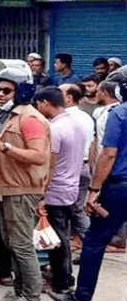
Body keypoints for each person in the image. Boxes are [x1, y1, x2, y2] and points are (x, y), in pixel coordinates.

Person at [49, 66, 127, 301]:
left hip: (119, 186)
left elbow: (109, 154)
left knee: (94, 241)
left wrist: (95, 190)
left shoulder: (119, 114)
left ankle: (82, 298)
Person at [0, 67, 50, 301]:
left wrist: (5, 147)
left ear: (21, 90)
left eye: (7, 90)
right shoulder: (14, 115)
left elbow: (38, 155)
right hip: (10, 187)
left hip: (22, 189)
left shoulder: (30, 118)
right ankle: (20, 290)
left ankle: (31, 298)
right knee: (11, 243)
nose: (0, 94)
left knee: (22, 245)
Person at [33, 86, 86, 294]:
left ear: (47, 103)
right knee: (62, 234)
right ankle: (65, 276)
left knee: (56, 239)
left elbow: (50, 164)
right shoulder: (76, 124)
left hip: (56, 189)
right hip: (71, 186)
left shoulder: (54, 129)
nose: (37, 107)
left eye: (39, 104)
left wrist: (42, 192)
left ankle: (61, 281)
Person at [60, 83, 96, 241]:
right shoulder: (86, 117)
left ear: (69, 97)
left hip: (68, 168)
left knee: (65, 210)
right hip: (83, 165)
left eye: (59, 92)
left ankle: (90, 243)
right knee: (75, 209)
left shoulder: (66, 118)